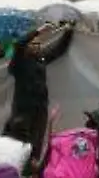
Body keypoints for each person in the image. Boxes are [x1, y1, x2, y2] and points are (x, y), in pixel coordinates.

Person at [9, 24, 73, 158]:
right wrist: (38, 31)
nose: (37, 47)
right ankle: (17, 171)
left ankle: (32, 173)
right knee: (19, 143)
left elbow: (58, 50)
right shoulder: (19, 62)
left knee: (36, 143)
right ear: (27, 46)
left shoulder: (40, 59)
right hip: (23, 110)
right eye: (33, 44)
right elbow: (19, 44)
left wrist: (69, 32)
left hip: (40, 108)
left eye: (39, 44)